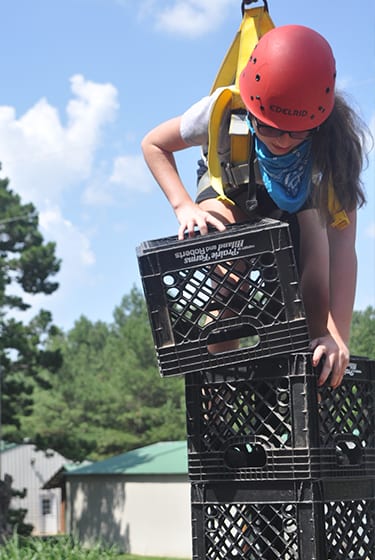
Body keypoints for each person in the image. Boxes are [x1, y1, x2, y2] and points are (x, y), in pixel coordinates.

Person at [141, 24, 369, 389]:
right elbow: (153, 144)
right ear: (252, 108)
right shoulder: (222, 110)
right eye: (269, 128)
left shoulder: (333, 146)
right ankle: (219, 382)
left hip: (295, 210)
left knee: (308, 294)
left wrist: (335, 336)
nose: (282, 140)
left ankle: (309, 387)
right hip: (230, 193)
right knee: (227, 264)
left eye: (297, 132)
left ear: (319, 120)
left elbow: (339, 249)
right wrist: (183, 206)